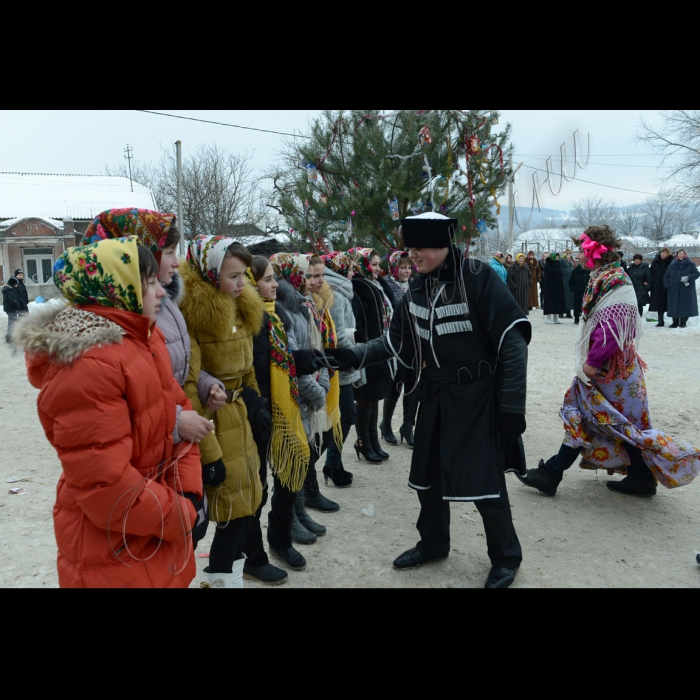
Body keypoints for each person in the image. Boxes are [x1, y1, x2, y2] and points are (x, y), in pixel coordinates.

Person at [327, 212, 531, 589]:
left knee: (486, 485)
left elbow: (513, 341)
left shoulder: (477, 277)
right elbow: (396, 341)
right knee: (429, 478)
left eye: (419, 248)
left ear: (441, 245)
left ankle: (505, 558)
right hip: (436, 396)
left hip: (478, 398)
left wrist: (512, 406)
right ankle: (433, 542)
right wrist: (354, 354)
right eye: (409, 248)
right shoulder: (418, 287)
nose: (411, 256)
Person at [12, 236, 205, 587]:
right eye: (148, 283)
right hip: (111, 552)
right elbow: (109, 489)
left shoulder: (143, 340)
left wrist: (190, 493)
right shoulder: (90, 365)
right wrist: (181, 513)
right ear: (118, 288)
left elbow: (181, 410)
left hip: (151, 533)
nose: (161, 291)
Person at [517, 225, 700, 499]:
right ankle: (638, 478)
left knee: (596, 417)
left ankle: (553, 474)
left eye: (582, 250)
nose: (578, 255)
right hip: (615, 369)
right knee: (610, 421)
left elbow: (611, 328)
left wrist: (592, 362)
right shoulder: (604, 276)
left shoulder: (615, 280)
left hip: (610, 369)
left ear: (595, 251)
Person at [179, 236, 265, 588]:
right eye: (233, 276)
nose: (242, 283)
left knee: (244, 509)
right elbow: (188, 384)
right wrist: (208, 453)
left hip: (240, 419)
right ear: (211, 273)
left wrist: (257, 406)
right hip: (211, 425)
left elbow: (248, 371)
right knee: (212, 518)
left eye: (244, 275)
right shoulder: (195, 315)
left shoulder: (242, 308)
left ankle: (226, 580)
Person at [271, 252, 339, 544]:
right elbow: (295, 361)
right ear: (295, 276)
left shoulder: (305, 306)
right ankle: (290, 520)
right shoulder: (286, 311)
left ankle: (299, 512)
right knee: (294, 459)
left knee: (303, 455)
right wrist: (318, 391)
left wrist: (323, 379)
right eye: (310, 275)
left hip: (311, 391)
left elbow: (316, 351)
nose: (317, 280)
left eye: (318, 274)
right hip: (297, 398)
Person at [348, 247, 395, 463]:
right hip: (366, 347)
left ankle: (373, 439)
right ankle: (363, 441)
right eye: (373, 264)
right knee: (365, 397)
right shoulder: (357, 287)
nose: (377, 268)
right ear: (362, 264)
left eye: (378, 264)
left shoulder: (375, 285)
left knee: (376, 394)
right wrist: (363, 341)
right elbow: (356, 318)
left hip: (379, 347)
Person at [321, 251, 361, 485]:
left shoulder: (340, 287)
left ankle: (334, 463)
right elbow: (335, 333)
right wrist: (356, 352)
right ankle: (331, 464)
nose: (353, 270)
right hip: (339, 363)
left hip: (342, 361)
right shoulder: (336, 291)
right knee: (346, 415)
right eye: (349, 266)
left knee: (344, 415)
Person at [380, 250, 419, 447]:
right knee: (396, 384)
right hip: (397, 343)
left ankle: (407, 426)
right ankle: (385, 424)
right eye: (402, 267)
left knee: (412, 386)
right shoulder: (387, 285)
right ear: (394, 268)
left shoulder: (414, 285)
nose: (406, 271)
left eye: (408, 267)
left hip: (415, 342)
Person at [663, 248, 699, 328]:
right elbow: (666, 276)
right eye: (680, 254)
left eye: (682, 254)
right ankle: (675, 322)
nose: (681, 255)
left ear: (685, 255)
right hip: (673, 289)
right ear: (677, 255)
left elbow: (696, 274)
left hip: (686, 289)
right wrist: (667, 286)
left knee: (684, 305)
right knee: (674, 305)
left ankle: (683, 322)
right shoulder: (672, 265)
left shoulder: (690, 264)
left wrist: (688, 277)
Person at [649, 247, 672, 327]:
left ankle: (674, 321)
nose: (663, 254)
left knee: (669, 303)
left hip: (667, 285)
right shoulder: (655, 262)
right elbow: (650, 272)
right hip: (657, 285)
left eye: (665, 253)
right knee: (659, 304)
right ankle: (660, 320)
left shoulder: (671, 262)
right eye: (662, 253)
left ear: (668, 254)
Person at [542, 252, 566, 323]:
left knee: (556, 302)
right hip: (549, 287)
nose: (557, 259)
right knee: (550, 302)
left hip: (557, 287)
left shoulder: (557, 265)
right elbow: (554, 271)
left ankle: (555, 317)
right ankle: (548, 318)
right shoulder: (548, 265)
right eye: (556, 257)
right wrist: (558, 263)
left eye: (558, 257)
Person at [627, 253, 652, 317]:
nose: (636, 261)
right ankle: (632, 316)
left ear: (641, 260)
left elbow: (649, 278)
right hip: (632, 288)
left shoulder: (645, 268)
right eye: (635, 260)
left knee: (639, 304)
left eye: (638, 260)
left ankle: (639, 316)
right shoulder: (630, 268)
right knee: (632, 303)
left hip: (641, 289)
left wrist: (646, 288)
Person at [568, 256, 590, 325]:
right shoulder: (575, 271)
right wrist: (574, 289)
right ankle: (576, 318)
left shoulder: (588, 271)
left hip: (587, 291)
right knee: (577, 305)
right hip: (578, 291)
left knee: (586, 305)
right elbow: (571, 282)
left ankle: (586, 318)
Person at [3, 276, 22, 342]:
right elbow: (13, 301)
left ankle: (10, 336)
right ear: (13, 284)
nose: (17, 285)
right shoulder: (11, 291)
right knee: (12, 323)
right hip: (11, 309)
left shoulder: (8, 289)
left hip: (8, 308)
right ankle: (10, 337)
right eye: (16, 284)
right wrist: (18, 307)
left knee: (11, 322)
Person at [560, 250, 574, 319]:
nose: (569, 258)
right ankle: (561, 312)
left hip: (570, 283)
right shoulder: (562, 265)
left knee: (570, 298)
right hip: (564, 283)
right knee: (563, 298)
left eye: (569, 257)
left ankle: (568, 312)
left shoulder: (571, 264)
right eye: (567, 257)